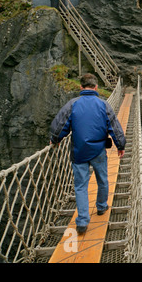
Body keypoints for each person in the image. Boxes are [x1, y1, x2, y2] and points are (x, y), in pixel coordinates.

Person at [50, 73, 126, 234]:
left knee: (80, 187)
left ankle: (83, 222)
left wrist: (55, 139)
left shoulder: (72, 104)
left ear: (81, 87)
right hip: (98, 151)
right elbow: (114, 126)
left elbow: (60, 125)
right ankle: (101, 206)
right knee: (103, 180)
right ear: (96, 87)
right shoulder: (104, 105)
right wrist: (120, 145)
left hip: (79, 153)